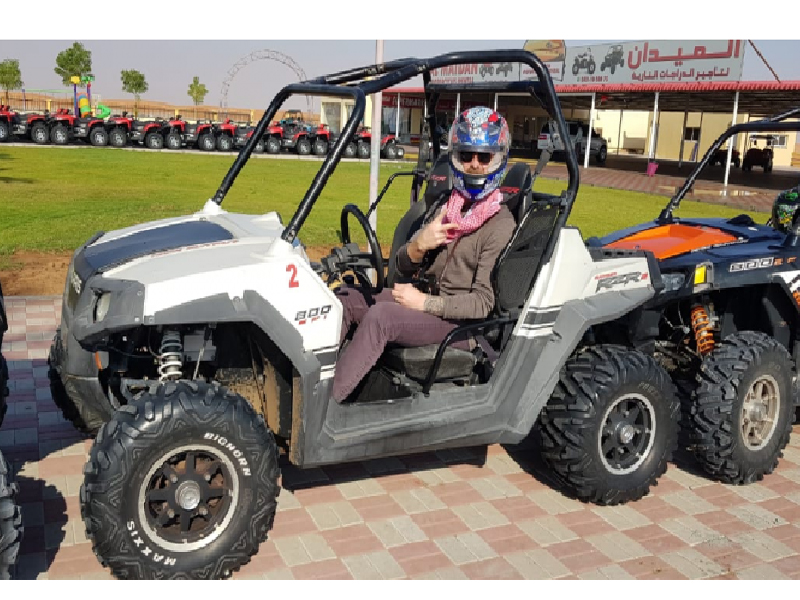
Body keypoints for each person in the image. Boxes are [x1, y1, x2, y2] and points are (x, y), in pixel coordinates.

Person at [331, 107, 516, 403]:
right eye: (466, 155)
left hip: (461, 325)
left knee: (381, 317)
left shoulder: (500, 224)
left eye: (484, 157)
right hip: (422, 302)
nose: (474, 165)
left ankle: (326, 408)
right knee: (346, 297)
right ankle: (313, 383)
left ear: (499, 159)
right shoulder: (448, 205)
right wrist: (419, 245)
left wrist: (425, 303)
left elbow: (483, 303)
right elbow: (402, 269)